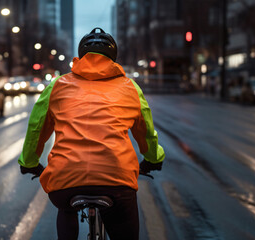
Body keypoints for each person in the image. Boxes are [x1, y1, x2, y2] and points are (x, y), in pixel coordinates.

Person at [18, 27, 165, 240]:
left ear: (81, 54)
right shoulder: (130, 87)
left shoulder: (57, 86)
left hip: (65, 178)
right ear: (113, 57)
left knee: (65, 207)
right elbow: (146, 132)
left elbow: (36, 128)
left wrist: (29, 162)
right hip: (117, 178)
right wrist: (153, 158)